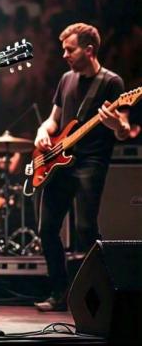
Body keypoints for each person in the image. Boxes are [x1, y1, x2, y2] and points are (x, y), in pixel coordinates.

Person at [33, 23, 130, 312]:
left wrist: (115, 123)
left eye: (70, 49)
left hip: (91, 161)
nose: (64, 54)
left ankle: (96, 294)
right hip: (60, 162)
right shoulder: (66, 79)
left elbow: (123, 129)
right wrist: (43, 130)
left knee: (86, 229)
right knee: (47, 228)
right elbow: (54, 119)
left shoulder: (112, 83)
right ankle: (59, 292)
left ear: (89, 50)